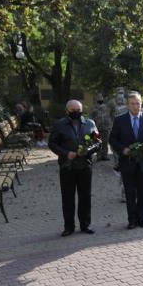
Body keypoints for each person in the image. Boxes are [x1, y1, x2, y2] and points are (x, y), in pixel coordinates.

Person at [48, 100, 101, 236]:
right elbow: (52, 144)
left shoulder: (90, 123)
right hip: (67, 166)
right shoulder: (59, 124)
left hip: (85, 165)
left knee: (85, 197)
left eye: (78, 109)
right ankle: (69, 227)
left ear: (82, 109)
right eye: (72, 110)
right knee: (68, 198)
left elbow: (98, 142)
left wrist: (88, 151)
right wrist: (66, 153)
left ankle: (85, 225)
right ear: (67, 111)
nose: (75, 112)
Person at [109, 92, 143, 229]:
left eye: (138, 103)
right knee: (130, 193)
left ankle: (142, 218)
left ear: (141, 104)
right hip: (127, 162)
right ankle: (132, 219)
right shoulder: (120, 120)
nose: (136, 106)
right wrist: (122, 149)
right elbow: (112, 139)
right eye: (133, 103)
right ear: (127, 105)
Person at [90, 94, 113, 160]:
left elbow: (110, 116)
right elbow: (91, 117)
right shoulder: (93, 107)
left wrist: (110, 125)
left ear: (103, 98)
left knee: (105, 143)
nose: (100, 98)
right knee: (97, 142)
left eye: (101, 97)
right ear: (96, 99)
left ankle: (105, 155)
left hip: (106, 127)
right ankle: (99, 156)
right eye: (98, 97)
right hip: (97, 128)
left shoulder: (106, 107)